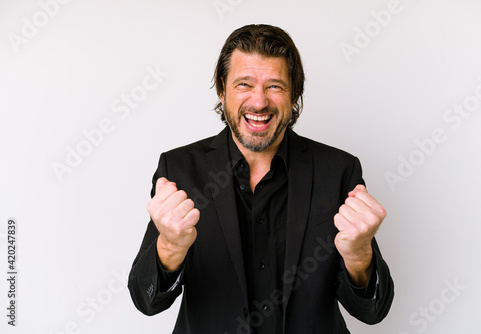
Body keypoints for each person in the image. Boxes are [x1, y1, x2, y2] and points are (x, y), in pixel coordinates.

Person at [128, 24, 394, 334]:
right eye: (244, 84)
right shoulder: (179, 171)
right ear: (222, 90)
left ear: (294, 94)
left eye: (275, 86)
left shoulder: (338, 171)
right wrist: (171, 247)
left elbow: (373, 312)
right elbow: (147, 302)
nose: (259, 102)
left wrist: (359, 254)